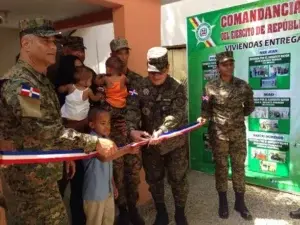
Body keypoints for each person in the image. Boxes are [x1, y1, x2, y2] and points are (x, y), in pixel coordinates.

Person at [0, 18, 118, 225]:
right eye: (45, 41)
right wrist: (95, 142)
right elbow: (43, 132)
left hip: (41, 177)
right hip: (29, 186)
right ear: (25, 44)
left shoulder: (39, 81)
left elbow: (49, 127)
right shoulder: (22, 84)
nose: (53, 47)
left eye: (54, 42)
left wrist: (64, 155)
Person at [126, 47, 189, 225]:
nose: (155, 77)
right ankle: (161, 212)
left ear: (167, 68)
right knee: (154, 180)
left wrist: (162, 130)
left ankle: (180, 212)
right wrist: (132, 130)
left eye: (160, 73)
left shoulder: (177, 87)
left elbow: (177, 115)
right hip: (150, 146)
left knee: (178, 179)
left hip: (174, 144)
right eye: (152, 73)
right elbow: (131, 110)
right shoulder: (138, 87)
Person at [197, 51, 255, 220]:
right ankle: (223, 202)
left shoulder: (243, 86)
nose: (229, 67)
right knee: (221, 169)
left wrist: (234, 119)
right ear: (218, 67)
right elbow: (206, 109)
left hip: (237, 135)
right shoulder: (210, 87)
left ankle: (240, 202)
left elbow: (250, 107)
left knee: (238, 168)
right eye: (224, 64)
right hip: (219, 135)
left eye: (231, 63)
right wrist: (204, 118)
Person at [83, 107, 139, 225]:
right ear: (92, 124)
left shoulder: (106, 139)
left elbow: (109, 165)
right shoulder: (91, 142)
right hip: (95, 195)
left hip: (107, 192)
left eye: (109, 123)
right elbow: (105, 157)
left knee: (108, 220)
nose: (107, 126)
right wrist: (127, 150)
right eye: (103, 123)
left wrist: (113, 185)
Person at [109, 37, 145, 225]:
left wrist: (130, 125)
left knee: (133, 175)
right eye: (118, 53)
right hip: (114, 137)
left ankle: (133, 209)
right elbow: (100, 107)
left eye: (125, 52)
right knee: (117, 175)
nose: (123, 56)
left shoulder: (137, 80)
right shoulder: (106, 79)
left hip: (133, 137)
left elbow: (140, 105)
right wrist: (115, 121)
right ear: (112, 55)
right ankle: (122, 211)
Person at [59, 66, 103, 131]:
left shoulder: (70, 86)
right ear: (85, 81)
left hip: (68, 115)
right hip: (80, 117)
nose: (91, 82)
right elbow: (94, 99)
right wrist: (99, 96)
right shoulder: (88, 91)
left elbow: (61, 89)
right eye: (90, 80)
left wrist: (61, 88)